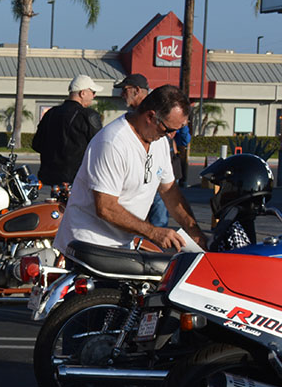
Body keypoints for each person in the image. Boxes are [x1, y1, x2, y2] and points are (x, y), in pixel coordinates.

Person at [54, 85, 206, 253]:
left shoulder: (160, 142)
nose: (171, 135)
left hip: (122, 245)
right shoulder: (113, 142)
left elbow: (169, 190)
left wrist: (193, 230)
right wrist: (153, 232)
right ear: (150, 116)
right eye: (169, 129)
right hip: (88, 245)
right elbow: (106, 207)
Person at [114, 74, 170, 227]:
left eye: (125, 90)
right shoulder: (125, 124)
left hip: (156, 172)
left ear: (137, 90)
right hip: (141, 176)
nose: (121, 95)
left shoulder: (153, 110)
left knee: (157, 222)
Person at [31, 74, 103, 189]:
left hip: (49, 178)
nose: (93, 96)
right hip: (78, 180)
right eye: (93, 92)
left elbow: (36, 144)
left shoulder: (50, 113)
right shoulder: (88, 115)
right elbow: (100, 147)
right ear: (82, 93)